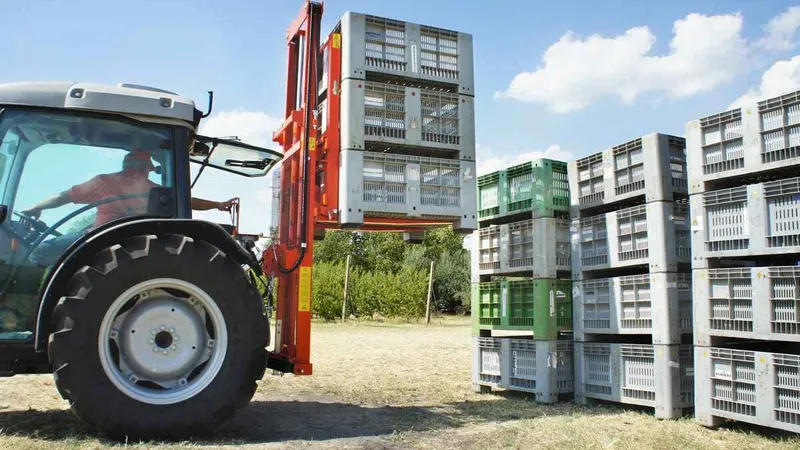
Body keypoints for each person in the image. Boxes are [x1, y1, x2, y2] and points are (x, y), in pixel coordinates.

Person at [21, 149, 236, 266]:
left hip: (98, 237)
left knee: (38, 252)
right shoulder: (152, 190)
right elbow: (187, 201)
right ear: (145, 168)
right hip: (131, 241)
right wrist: (218, 205)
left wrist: (36, 208)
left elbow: (64, 197)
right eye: (147, 168)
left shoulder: (103, 182)